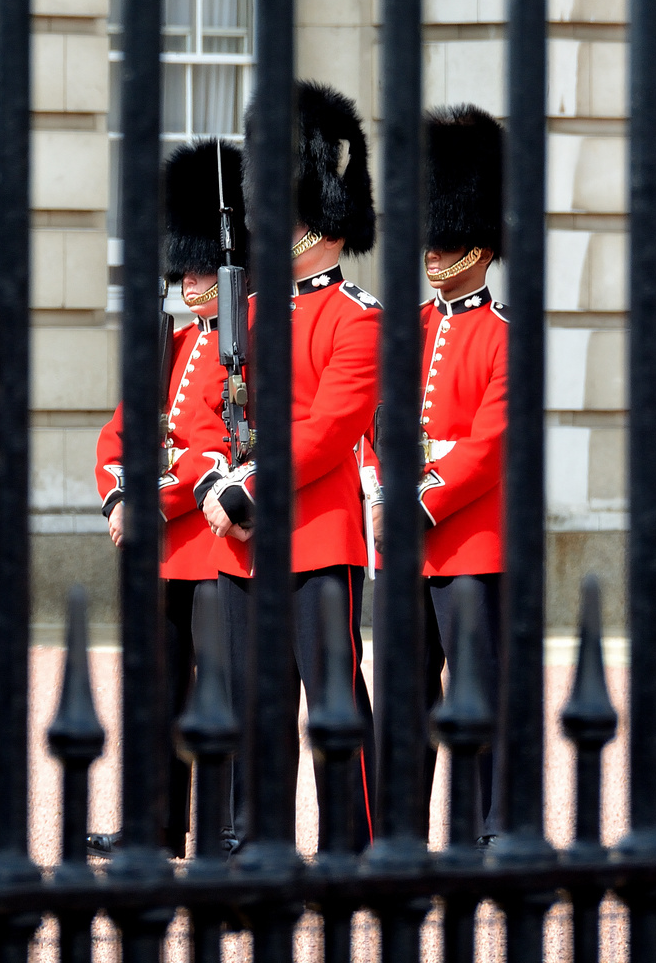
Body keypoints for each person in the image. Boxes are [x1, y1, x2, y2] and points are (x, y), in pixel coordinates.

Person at [191, 81, 380, 852]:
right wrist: (214, 480)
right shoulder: (252, 311)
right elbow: (203, 407)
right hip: (241, 538)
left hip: (318, 533)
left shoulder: (356, 317)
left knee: (330, 696)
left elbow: (331, 430)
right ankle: (251, 837)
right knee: (249, 699)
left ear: (325, 224)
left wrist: (245, 486)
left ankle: (351, 840)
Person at [89, 139, 247, 859]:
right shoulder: (173, 346)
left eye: (198, 266)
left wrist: (152, 502)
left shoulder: (246, 345)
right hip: (160, 549)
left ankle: (218, 828)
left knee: (213, 699)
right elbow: (119, 434)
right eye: (179, 267)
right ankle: (152, 824)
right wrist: (119, 498)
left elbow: (216, 448)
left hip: (210, 544)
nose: (187, 280)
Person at [394, 105, 508, 845]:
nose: (433, 252)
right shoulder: (415, 328)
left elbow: (490, 441)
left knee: (473, 693)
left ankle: (484, 828)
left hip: (468, 540)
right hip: (407, 534)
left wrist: (422, 498)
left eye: (447, 237)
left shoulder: (503, 335)